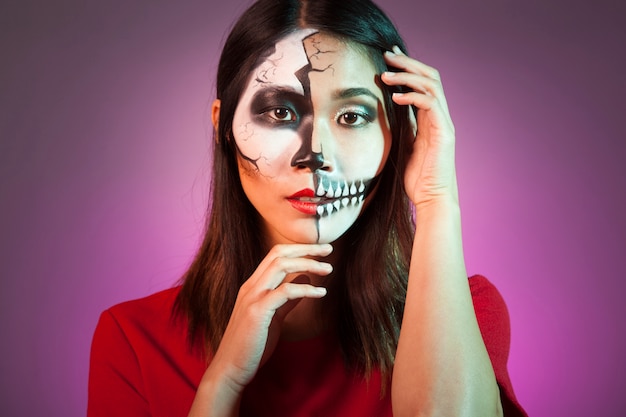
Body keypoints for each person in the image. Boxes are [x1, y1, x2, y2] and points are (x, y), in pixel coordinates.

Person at [88, 0, 527, 416]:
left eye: (353, 116)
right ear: (223, 126)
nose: (315, 154)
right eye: (280, 112)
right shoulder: (133, 341)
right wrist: (221, 384)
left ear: (400, 134)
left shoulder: (467, 312)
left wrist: (436, 200)